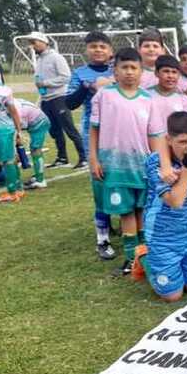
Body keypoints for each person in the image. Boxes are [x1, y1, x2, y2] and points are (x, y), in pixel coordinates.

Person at [89, 47, 153, 275]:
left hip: (142, 166)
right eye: (124, 68)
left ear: (141, 72)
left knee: (142, 210)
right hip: (115, 167)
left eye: (133, 68)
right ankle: (130, 257)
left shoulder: (148, 99)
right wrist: (94, 158)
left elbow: (153, 135)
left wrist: (155, 163)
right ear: (115, 71)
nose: (129, 72)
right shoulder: (104, 96)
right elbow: (94, 129)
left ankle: (145, 255)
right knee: (125, 212)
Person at [132, 112, 187, 301]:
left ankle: (166, 264)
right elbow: (175, 202)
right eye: (182, 142)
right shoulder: (156, 163)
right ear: (170, 140)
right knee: (173, 296)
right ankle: (144, 257)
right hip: (162, 236)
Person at [64, 30, 116, 259]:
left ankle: (118, 223)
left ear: (110, 51)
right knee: (100, 182)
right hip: (93, 134)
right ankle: (102, 238)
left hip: (119, 135)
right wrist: (85, 87)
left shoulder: (118, 70)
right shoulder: (80, 73)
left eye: (102, 46)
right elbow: (70, 103)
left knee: (120, 179)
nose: (98, 50)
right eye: (93, 46)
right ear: (86, 50)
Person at [23, 31, 85, 168]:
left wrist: (46, 83)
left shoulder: (56, 58)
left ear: (44, 42)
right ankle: (62, 158)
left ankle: (83, 157)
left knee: (69, 128)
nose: (33, 46)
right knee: (54, 130)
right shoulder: (39, 60)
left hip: (59, 98)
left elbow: (66, 77)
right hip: (46, 99)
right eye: (31, 43)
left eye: (35, 42)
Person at [148, 55, 187, 158]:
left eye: (174, 72)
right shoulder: (146, 96)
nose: (170, 76)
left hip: (175, 152)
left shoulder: (184, 100)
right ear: (156, 73)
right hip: (152, 151)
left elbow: (186, 129)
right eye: (166, 71)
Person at [0, 73, 23, 203]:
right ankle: (18, 188)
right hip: (6, 127)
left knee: (7, 160)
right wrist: (18, 129)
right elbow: (13, 111)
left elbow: (13, 110)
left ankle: (12, 193)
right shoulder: (5, 89)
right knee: (11, 159)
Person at [15, 98, 51, 190]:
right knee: (33, 148)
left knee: (35, 149)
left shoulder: (15, 108)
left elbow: (19, 126)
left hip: (39, 122)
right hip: (32, 120)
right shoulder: (7, 103)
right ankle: (38, 175)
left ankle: (40, 181)